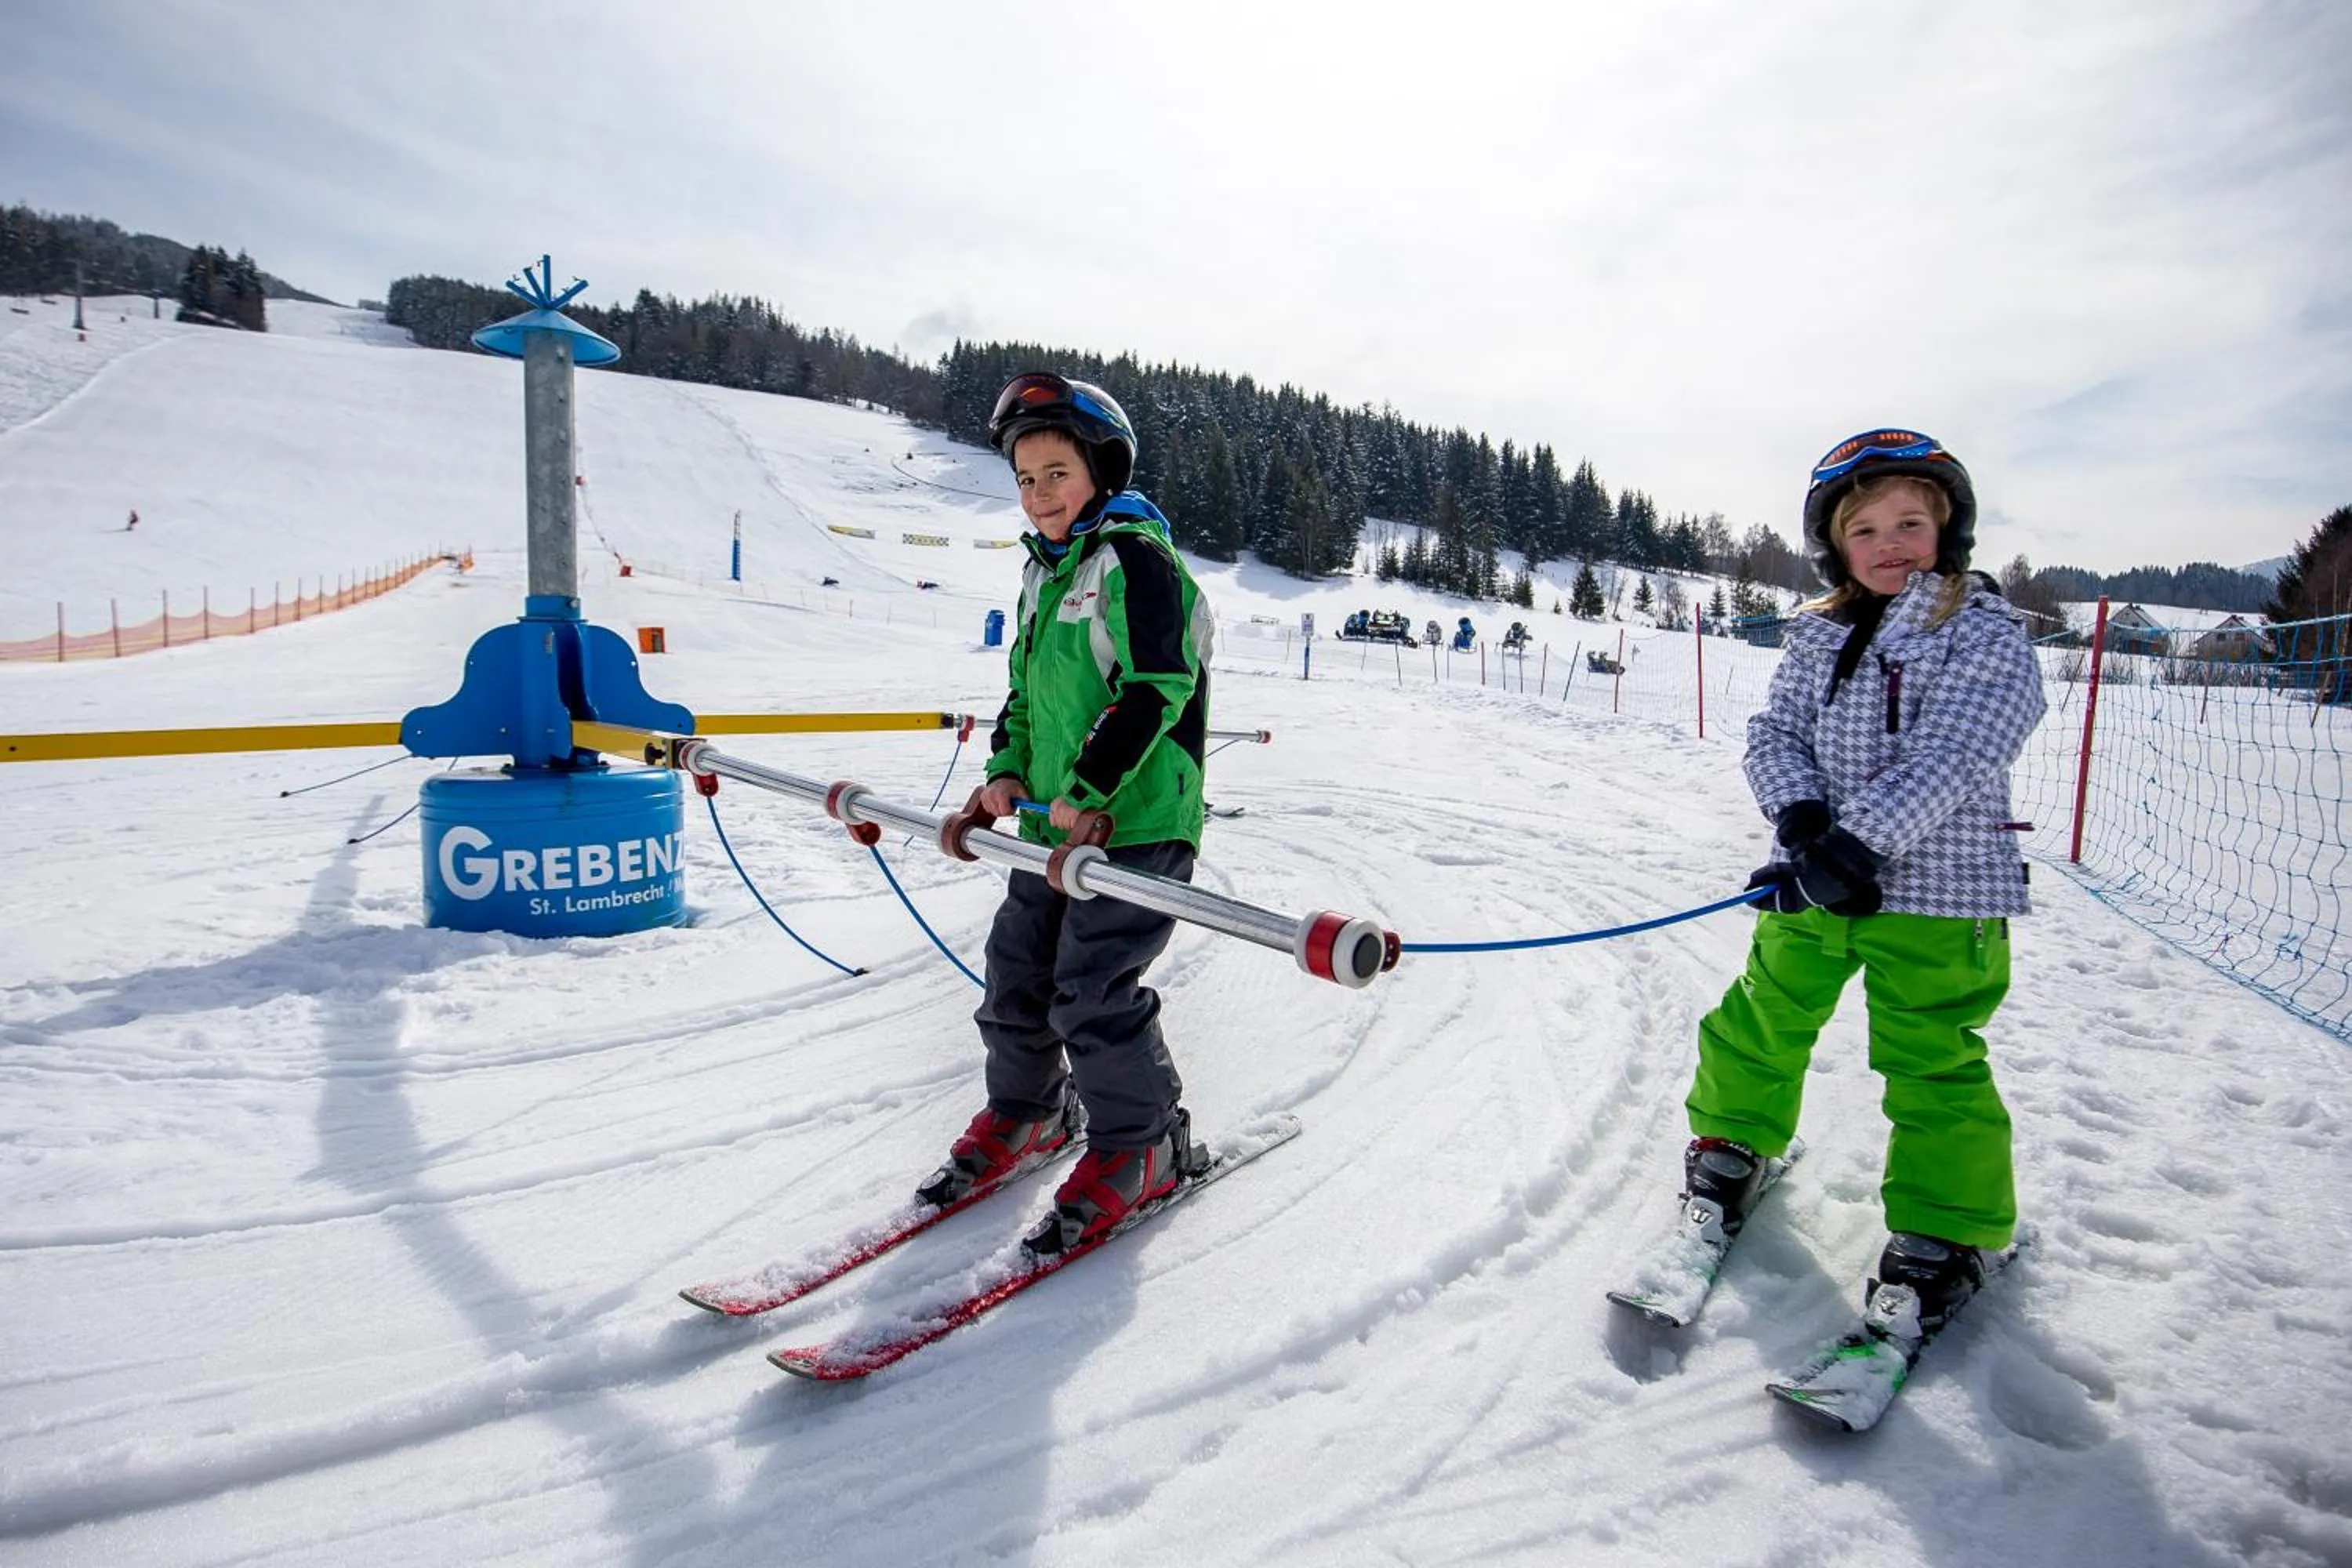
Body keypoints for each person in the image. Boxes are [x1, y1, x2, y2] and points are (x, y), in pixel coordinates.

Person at [1672, 428, 2045, 1338]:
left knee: (1930, 1059)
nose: (1890, 543)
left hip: (1940, 897)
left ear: (1947, 529)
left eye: (1910, 522)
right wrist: (1803, 820)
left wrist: (1855, 846)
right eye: (1865, 529)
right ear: (1836, 545)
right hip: (1816, 885)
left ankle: (1949, 1231)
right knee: (1761, 1016)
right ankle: (1731, 1145)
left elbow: (1958, 752)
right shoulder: (1819, 633)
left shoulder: (1983, 631)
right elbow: (1775, 732)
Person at [918, 372, 1214, 1256]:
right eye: (1025, 477)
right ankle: (1030, 1111)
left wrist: (1089, 787)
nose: (1039, 493)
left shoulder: (1137, 560)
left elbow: (1157, 686)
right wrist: (1003, 775)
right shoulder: (1043, 574)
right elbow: (1026, 694)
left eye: (1058, 473)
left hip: (1136, 825)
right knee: (1016, 974)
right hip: (1053, 829)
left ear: (1101, 473)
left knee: (1093, 989)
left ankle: (1144, 1144)